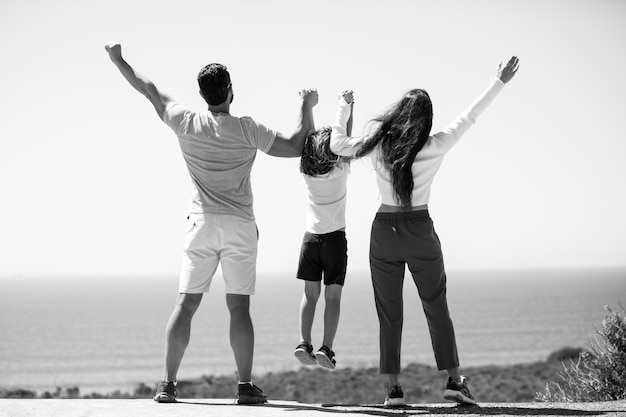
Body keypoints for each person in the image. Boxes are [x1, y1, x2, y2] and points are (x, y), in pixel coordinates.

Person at [104, 42, 318, 405]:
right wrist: (305, 106)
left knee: (186, 305)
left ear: (201, 94)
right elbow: (298, 144)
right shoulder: (248, 129)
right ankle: (245, 387)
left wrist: (118, 59)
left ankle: (168, 384)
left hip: (201, 223)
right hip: (239, 225)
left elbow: (147, 88)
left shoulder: (185, 121)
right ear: (231, 90)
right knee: (239, 308)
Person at [330, 56, 520, 406]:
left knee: (389, 312)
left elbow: (336, 144)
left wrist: (344, 105)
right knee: (436, 305)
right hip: (420, 230)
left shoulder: (377, 143)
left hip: (384, 231)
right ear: (426, 120)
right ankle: (452, 381)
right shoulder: (436, 145)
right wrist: (498, 82)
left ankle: (393, 391)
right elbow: (470, 117)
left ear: (398, 114)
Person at [293, 93, 354, 369]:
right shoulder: (340, 169)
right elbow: (346, 138)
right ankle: (326, 349)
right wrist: (349, 106)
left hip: (310, 240)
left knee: (310, 295)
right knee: (333, 296)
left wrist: (307, 106)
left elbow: (308, 139)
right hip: (334, 240)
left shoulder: (307, 173)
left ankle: (303, 342)